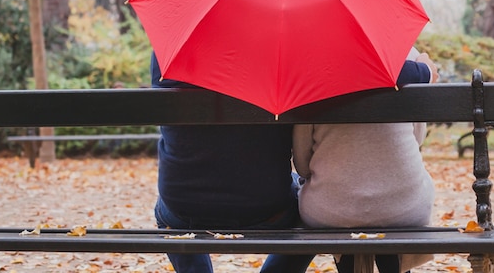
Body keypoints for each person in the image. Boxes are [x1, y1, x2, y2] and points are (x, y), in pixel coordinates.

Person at [152, 52, 437, 273]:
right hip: (265, 208)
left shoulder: (168, 52)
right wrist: (423, 70)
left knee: (165, 212)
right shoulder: (278, 48)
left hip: (183, 207)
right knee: (305, 209)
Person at [291, 50, 439, 273]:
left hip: (333, 212)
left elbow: (302, 164)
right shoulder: (407, 58)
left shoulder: (311, 67)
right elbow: (417, 140)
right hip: (405, 210)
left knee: (334, 202)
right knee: (398, 200)